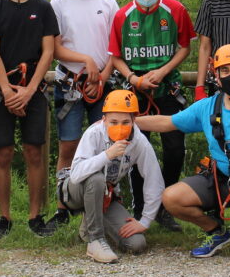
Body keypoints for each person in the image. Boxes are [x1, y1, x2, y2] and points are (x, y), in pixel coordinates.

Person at [138, 45, 230, 266]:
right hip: (221, 181)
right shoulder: (207, 107)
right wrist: (128, 121)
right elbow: (167, 122)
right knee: (172, 198)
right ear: (216, 76)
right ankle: (216, 231)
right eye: (225, 71)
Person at [108, 0, 193, 232]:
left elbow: (184, 47)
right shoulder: (122, 16)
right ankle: (142, 207)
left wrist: (164, 71)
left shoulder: (175, 10)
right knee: (134, 150)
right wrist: (134, 78)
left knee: (174, 149)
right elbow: (116, 56)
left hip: (168, 88)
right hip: (136, 92)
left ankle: (167, 206)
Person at [0, 0, 59, 240]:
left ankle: (35, 215)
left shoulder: (42, 7)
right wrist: (6, 90)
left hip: (34, 89)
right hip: (3, 89)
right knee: (2, 153)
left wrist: (28, 91)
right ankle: (3, 217)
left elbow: (48, 51)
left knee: (34, 152)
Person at [49, 0, 119, 228]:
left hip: (104, 84)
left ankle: (109, 200)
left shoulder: (108, 2)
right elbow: (55, 48)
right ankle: (62, 206)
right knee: (68, 146)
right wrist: (87, 62)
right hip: (70, 84)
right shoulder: (58, 4)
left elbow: (116, 48)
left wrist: (101, 76)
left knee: (109, 142)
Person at [58, 90, 165, 263]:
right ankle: (95, 240)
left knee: (136, 244)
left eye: (125, 122)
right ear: (104, 119)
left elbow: (154, 181)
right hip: (75, 191)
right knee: (96, 178)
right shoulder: (93, 133)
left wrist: (144, 221)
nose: (120, 127)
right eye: (113, 122)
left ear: (133, 121)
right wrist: (107, 155)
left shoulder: (139, 141)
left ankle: (90, 223)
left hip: (106, 195)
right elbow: (76, 174)